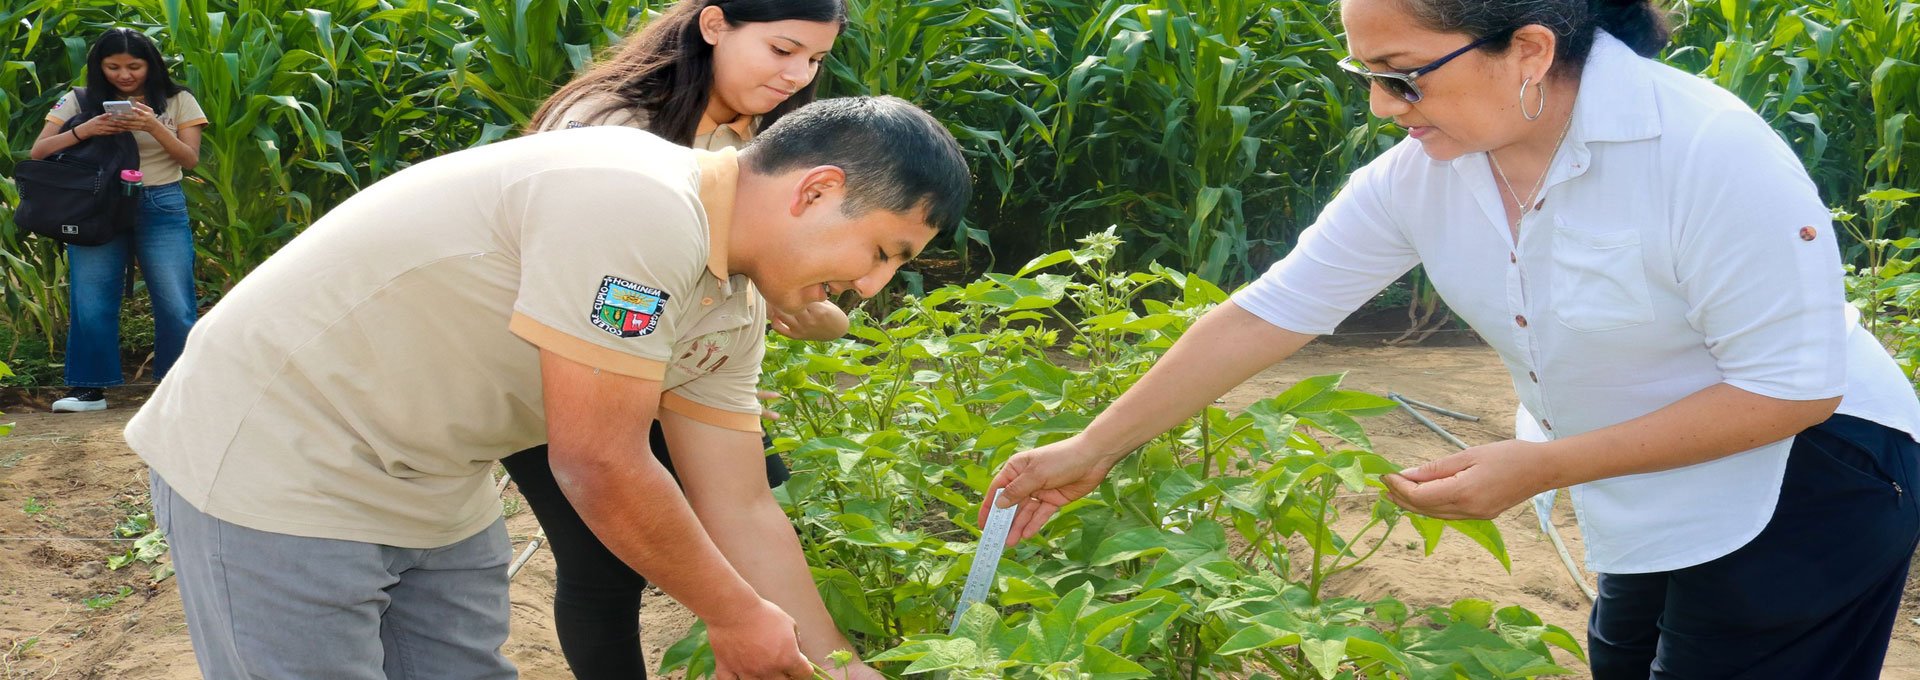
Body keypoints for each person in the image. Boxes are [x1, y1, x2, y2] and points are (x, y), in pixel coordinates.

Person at [981, 1, 1920, 678]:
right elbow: (1272, 311)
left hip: (1812, 472)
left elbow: (1790, 390)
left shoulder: (1707, 151)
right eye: (1367, 78)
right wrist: (1091, 448)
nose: (1384, 106)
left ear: (1528, 50)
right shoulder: (1426, 173)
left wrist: (1537, 466)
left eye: (1403, 75)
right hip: (1638, 472)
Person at [126, 95, 970, 680]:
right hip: (278, 460)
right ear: (817, 191)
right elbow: (599, 463)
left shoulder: (734, 304)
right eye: (883, 252)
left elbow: (741, 504)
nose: (871, 288)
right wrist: (736, 616)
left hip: (434, 481)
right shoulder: (637, 202)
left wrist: (831, 662)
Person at [504, 1, 853, 677]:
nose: (797, 75)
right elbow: (603, 295)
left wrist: (801, 314)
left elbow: (749, 287)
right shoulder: (607, 129)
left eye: (815, 59)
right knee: (602, 561)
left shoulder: (756, 132)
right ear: (715, 25)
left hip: (672, 365)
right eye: (783, 50)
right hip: (562, 366)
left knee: (760, 506)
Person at [30, 27, 206, 413]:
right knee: (91, 298)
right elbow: (38, 152)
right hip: (97, 206)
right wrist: (85, 129)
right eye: (113, 67)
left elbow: (189, 160)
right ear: (99, 66)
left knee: (175, 300)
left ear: (151, 64)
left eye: (134, 66)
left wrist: (153, 125)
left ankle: (177, 388)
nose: (124, 76)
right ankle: (89, 390)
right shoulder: (79, 100)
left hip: (159, 202)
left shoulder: (179, 100)